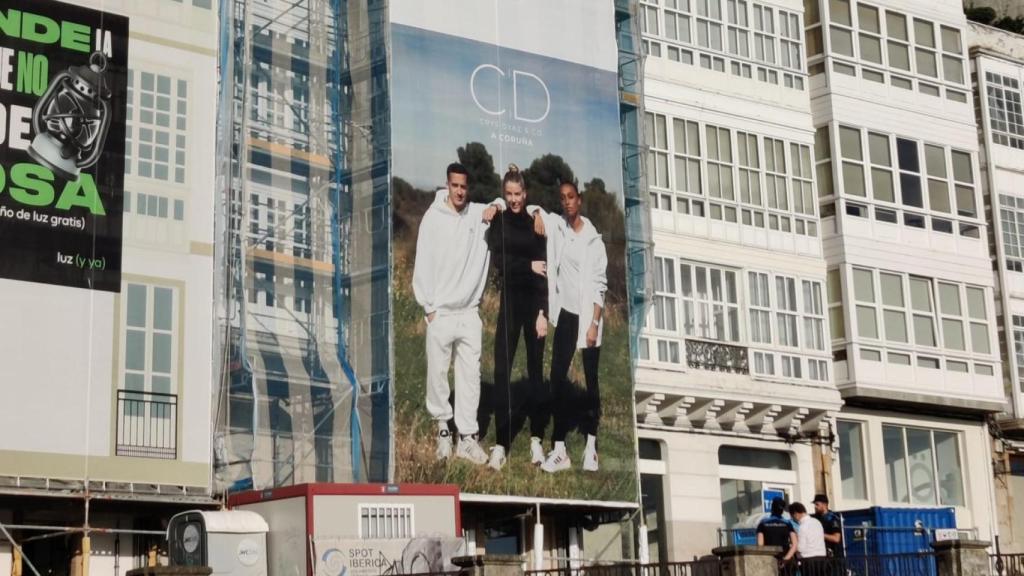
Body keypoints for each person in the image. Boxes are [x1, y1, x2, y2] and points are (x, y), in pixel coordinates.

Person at [412, 162, 500, 465]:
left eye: (464, 186)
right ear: (447, 185)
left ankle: (467, 438)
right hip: (441, 312)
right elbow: (422, 262)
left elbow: (502, 203)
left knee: (470, 376)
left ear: (469, 188)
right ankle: (442, 430)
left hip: (469, 313)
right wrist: (429, 308)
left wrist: (497, 205)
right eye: (455, 186)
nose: (460, 192)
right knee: (437, 373)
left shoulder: (477, 214)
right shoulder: (433, 217)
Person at [529, 182, 608, 473]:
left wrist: (594, 324)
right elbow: (532, 207)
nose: (567, 202)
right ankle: (560, 449)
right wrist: (536, 213)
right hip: (566, 315)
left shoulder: (593, 241)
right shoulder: (558, 226)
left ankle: (591, 446)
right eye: (562, 198)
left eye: (571, 197)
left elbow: (600, 286)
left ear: (580, 200)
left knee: (591, 382)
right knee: (557, 379)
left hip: (588, 319)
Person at [484, 164, 549, 471]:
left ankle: (536, 440)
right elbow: (500, 262)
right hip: (510, 304)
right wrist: (527, 266)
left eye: (518, 194)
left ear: (525, 193)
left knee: (535, 372)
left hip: (533, 305)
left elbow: (543, 270)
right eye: (508, 194)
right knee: (502, 372)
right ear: (504, 194)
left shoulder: (536, 223)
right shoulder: (500, 222)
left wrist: (542, 313)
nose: (513, 199)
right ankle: (500, 445)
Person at [756, 498, 798, 575]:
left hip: (769, 559)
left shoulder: (763, 523)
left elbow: (760, 544)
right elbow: (795, 544)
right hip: (785, 559)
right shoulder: (787, 523)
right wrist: (785, 559)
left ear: (772, 508)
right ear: (782, 510)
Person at [790, 502, 828, 576]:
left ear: (795, 514)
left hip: (808, 562)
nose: (793, 519)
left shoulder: (802, 527)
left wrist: (792, 546)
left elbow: (801, 548)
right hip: (822, 559)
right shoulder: (817, 522)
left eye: (792, 517)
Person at [812, 494, 844, 559]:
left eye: (817, 504)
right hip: (821, 554)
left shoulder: (832, 518)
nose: (815, 507)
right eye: (815, 505)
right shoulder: (815, 518)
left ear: (824, 505)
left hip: (833, 555)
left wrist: (819, 535)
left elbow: (836, 538)